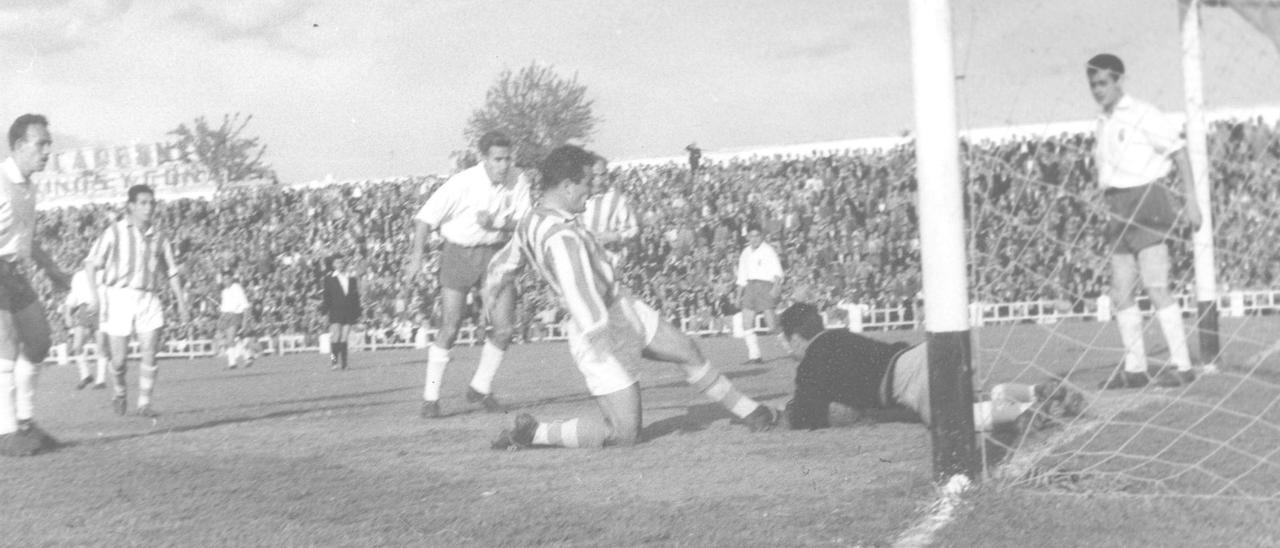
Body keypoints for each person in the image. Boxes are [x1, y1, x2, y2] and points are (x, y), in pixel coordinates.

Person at [487, 145, 778, 450]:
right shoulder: (561, 236)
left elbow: (506, 259)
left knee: (687, 350)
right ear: (568, 186)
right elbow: (578, 290)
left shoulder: (530, 220)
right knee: (625, 434)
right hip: (597, 327)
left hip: (620, 304)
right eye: (587, 183)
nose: (592, 189)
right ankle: (534, 433)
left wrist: (491, 285)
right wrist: (599, 334)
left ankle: (755, 413)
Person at [776, 303, 1083, 433]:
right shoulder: (838, 335)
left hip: (908, 377)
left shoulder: (811, 363)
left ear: (796, 338)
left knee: (948, 420)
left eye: (788, 341)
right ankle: (1033, 392)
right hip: (926, 353)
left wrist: (781, 415)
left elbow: (806, 415)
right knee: (966, 399)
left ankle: (1027, 414)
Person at [1086, 53, 1201, 389]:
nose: (1098, 89)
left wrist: (1191, 199)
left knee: (1155, 285)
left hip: (1147, 201)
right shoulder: (1101, 120)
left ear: (1119, 81)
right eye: (1093, 84)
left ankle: (1182, 366)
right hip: (1117, 206)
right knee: (1120, 291)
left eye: (1103, 82)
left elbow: (1178, 152)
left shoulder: (1143, 114)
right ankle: (1135, 370)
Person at [405, 131, 530, 418]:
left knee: (504, 329)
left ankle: (480, 387)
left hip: (495, 255)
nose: (504, 165)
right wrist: (416, 258)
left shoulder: (518, 179)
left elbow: (524, 220)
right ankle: (431, 397)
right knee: (450, 327)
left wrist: (497, 221)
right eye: (497, 159)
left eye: (508, 159)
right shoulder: (463, 183)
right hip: (459, 253)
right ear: (483, 158)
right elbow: (425, 218)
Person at [85, 184, 190, 418]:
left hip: (148, 297)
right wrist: (94, 296)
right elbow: (91, 263)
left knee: (150, 351)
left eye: (151, 203)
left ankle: (144, 403)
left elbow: (171, 272)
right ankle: (120, 392)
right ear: (130, 206)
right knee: (119, 361)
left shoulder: (160, 237)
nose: (149, 207)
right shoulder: (114, 231)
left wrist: (181, 302)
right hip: (119, 296)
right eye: (143, 203)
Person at [0, 114, 71, 456]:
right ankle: (6, 431)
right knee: (6, 346)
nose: (47, 151)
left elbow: (26, 237)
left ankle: (26, 424)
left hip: (14, 271)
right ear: (17, 146)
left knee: (40, 342)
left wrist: (53, 271)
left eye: (49, 144)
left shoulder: (30, 186)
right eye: (40, 143)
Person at [735, 224, 783, 364]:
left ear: (761, 236)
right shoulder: (745, 252)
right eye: (752, 236)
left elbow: (777, 272)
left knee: (772, 325)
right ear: (748, 237)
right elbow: (741, 276)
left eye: (757, 236)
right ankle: (755, 356)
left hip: (765, 286)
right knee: (746, 322)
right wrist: (738, 296)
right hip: (750, 287)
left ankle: (790, 347)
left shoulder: (768, 251)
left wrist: (775, 287)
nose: (754, 239)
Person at [581, 155, 639, 266]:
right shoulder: (578, 197)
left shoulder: (617, 199)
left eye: (602, 175)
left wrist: (616, 236)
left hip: (608, 264)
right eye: (594, 175)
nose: (598, 180)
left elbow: (634, 229)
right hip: (583, 263)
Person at [63, 267, 109, 389]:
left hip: (100, 309)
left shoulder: (103, 273)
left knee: (101, 346)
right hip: (84, 309)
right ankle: (86, 375)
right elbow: (73, 295)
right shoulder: (78, 276)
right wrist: (67, 314)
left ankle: (101, 380)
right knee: (77, 346)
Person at [319, 254, 361, 371]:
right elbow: (326, 297)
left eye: (342, 262)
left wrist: (358, 314)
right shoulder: (329, 279)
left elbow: (355, 298)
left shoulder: (351, 278)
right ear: (334, 265)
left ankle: (345, 364)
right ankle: (334, 362)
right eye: (338, 262)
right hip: (335, 311)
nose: (340, 264)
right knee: (335, 337)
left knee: (344, 338)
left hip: (348, 311)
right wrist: (324, 313)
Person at [216, 269, 253, 370]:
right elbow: (225, 306)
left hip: (235, 315)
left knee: (231, 338)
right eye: (224, 279)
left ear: (231, 279)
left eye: (227, 278)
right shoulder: (224, 291)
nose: (225, 281)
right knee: (233, 339)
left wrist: (245, 320)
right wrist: (221, 313)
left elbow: (245, 304)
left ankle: (232, 363)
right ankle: (248, 356)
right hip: (226, 316)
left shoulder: (236, 288)